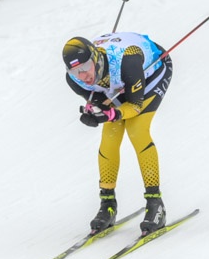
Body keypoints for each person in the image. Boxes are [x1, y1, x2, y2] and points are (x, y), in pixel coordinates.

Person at [62, 33, 173, 235]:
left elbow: (135, 107)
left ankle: (156, 205)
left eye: (86, 67)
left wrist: (112, 113)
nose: (84, 75)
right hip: (119, 80)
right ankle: (107, 204)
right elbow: (99, 100)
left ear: (95, 58)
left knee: (136, 129)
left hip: (151, 71)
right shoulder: (74, 80)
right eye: (76, 71)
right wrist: (95, 112)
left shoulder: (128, 62)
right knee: (109, 138)